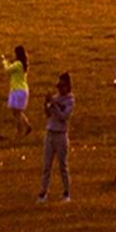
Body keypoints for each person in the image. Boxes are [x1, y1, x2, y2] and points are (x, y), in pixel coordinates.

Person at [38, 72, 74, 203]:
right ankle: (43, 192)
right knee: (46, 166)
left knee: (63, 166)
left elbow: (63, 117)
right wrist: (46, 104)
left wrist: (53, 104)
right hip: (50, 133)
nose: (60, 89)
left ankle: (66, 192)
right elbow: (48, 114)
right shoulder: (56, 98)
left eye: (62, 86)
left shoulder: (70, 100)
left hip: (61, 135)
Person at [4, 46, 31, 135]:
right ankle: (27, 125)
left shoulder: (18, 64)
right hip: (22, 90)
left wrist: (5, 63)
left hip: (17, 90)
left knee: (16, 112)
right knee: (17, 111)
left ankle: (19, 130)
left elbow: (8, 70)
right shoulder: (22, 64)